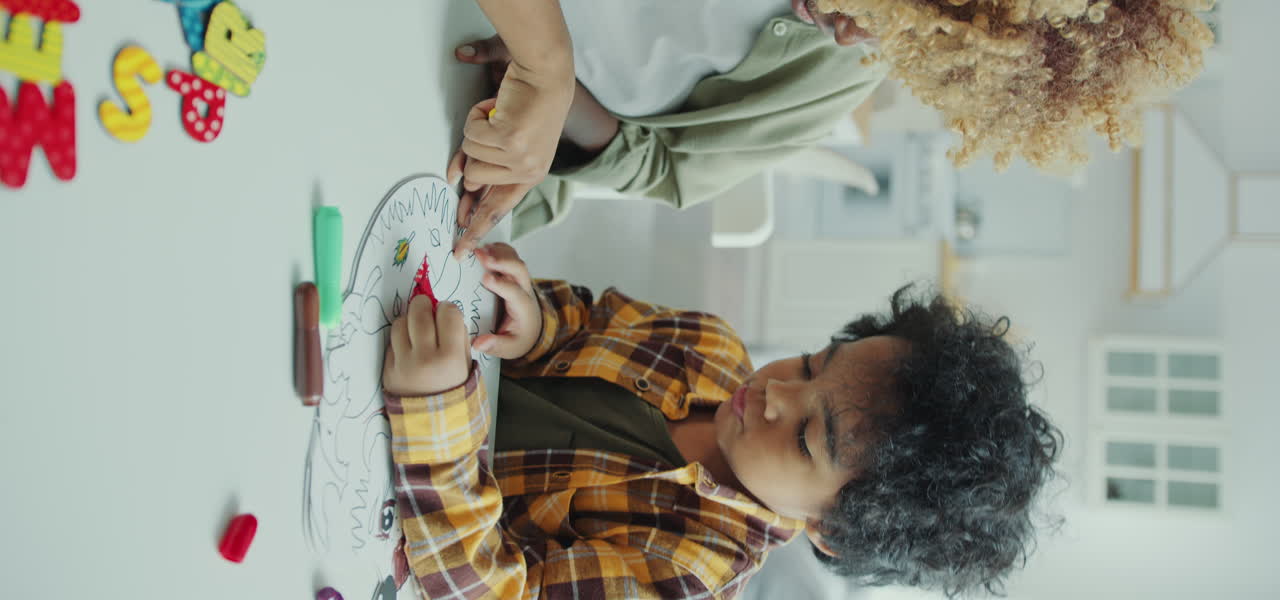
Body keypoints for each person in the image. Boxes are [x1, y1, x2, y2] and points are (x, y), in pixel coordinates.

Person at [382, 0, 1226, 255]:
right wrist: (545, 57)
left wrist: (571, 110)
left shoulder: (841, 68)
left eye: (906, 50)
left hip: (421, 123)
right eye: (889, 3)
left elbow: (671, 171)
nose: (859, 42)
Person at [381, 243, 1062, 598]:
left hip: (382, 493)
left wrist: (435, 420)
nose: (775, 393)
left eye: (806, 438)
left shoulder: (691, 574)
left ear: (828, 529)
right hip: (393, 345)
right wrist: (535, 324)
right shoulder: (709, 345)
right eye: (811, 362)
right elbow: (587, 315)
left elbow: (498, 594)